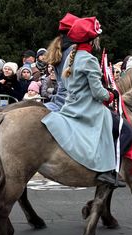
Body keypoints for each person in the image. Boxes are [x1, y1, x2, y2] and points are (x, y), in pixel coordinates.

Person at [42, 16, 121, 187]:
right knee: (112, 122)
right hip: (87, 107)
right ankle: (106, 171)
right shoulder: (89, 59)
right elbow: (98, 93)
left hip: (70, 104)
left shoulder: (71, 55)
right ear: (93, 40)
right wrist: (112, 94)